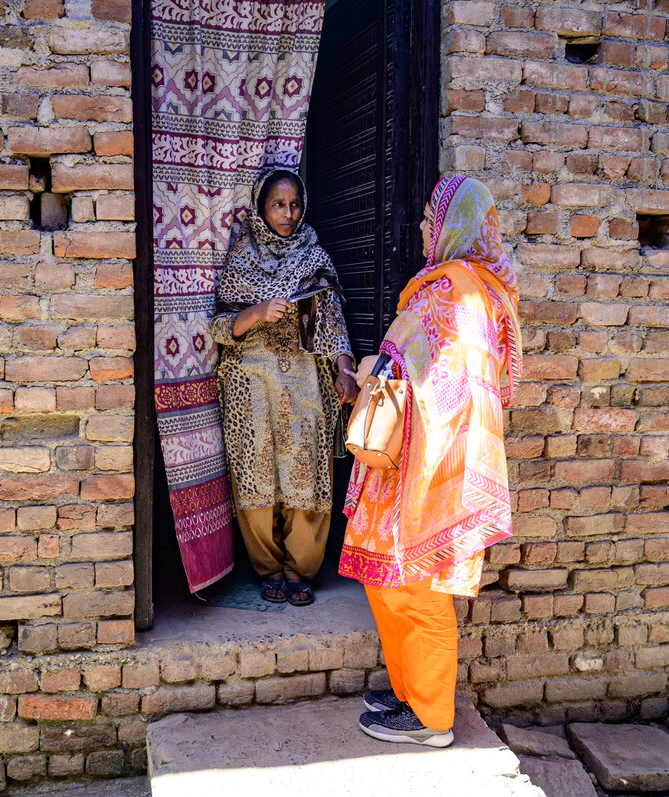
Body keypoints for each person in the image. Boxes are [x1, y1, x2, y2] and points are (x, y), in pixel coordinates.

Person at [339, 175, 523, 747]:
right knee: (387, 577)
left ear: (453, 225)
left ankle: (432, 718)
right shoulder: (458, 286)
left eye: (427, 218)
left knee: (420, 587)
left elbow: (453, 379)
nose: (420, 227)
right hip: (409, 454)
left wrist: (380, 373)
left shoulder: (459, 290)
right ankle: (410, 690)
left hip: (431, 460)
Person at [209, 169, 358, 606]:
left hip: (304, 384)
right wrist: (255, 312)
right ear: (261, 207)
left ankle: (300, 570)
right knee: (256, 475)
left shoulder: (315, 257)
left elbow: (333, 327)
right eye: (278, 204)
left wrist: (345, 371)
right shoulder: (241, 259)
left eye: (294, 205)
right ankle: (270, 568)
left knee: (305, 475)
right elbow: (219, 326)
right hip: (249, 386)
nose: (288, 214)